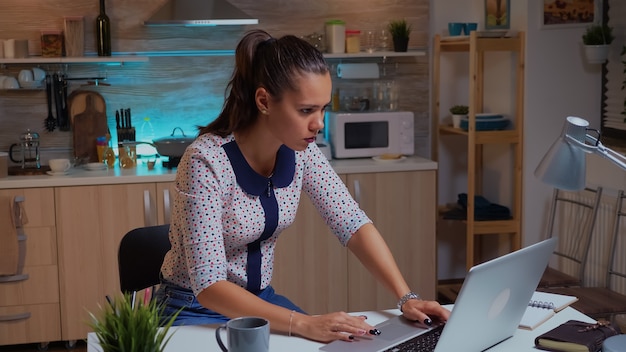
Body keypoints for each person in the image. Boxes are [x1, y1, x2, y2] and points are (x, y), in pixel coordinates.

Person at [154, 29, 450, 343]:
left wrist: (407, 298)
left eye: (323, 108)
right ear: (264, 101)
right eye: (306, 110)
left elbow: (351, 222)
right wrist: (304, 323)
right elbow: (210, 286)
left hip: (261, 303)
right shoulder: (206, 161)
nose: (319, 123)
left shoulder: (303, 151)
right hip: (193, 311)